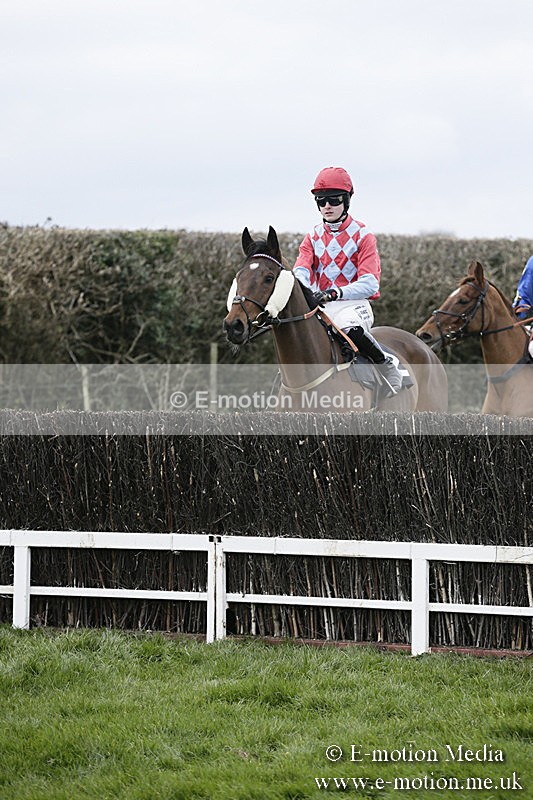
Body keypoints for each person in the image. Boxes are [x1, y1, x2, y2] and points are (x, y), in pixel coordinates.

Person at [292, 166, 403, 396]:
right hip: (320, 304)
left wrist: (335, 293)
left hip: (354, 304)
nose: (327, 206)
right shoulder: (312, 236)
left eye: (333, 199)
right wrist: (306, 289)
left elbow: (370, 283)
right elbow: (301, 269)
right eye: (321, 201)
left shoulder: (363, 235)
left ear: (347, 199)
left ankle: (386, 365)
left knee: (347, 328)